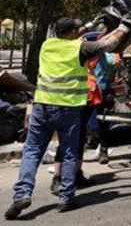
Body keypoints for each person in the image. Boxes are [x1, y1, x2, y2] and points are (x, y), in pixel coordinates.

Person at [5, 15, 131, 220]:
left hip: (42, 107)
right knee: (69, 152)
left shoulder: (47, 45)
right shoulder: (80, 48)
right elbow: (109, 44)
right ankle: (66, 198)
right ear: (73, 33)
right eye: (78, 28)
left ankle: (21, 194)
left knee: (31, 152)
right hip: (68, 110)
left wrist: (95, 22)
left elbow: (78, 33)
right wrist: (124, 26)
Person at [50, 40, 122, 194]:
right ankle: (58, 178)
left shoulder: (88, 55)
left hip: (87, 98)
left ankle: (76, 174)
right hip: (76, 100)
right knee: (69, 138)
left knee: (80, 137)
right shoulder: (79, 54)